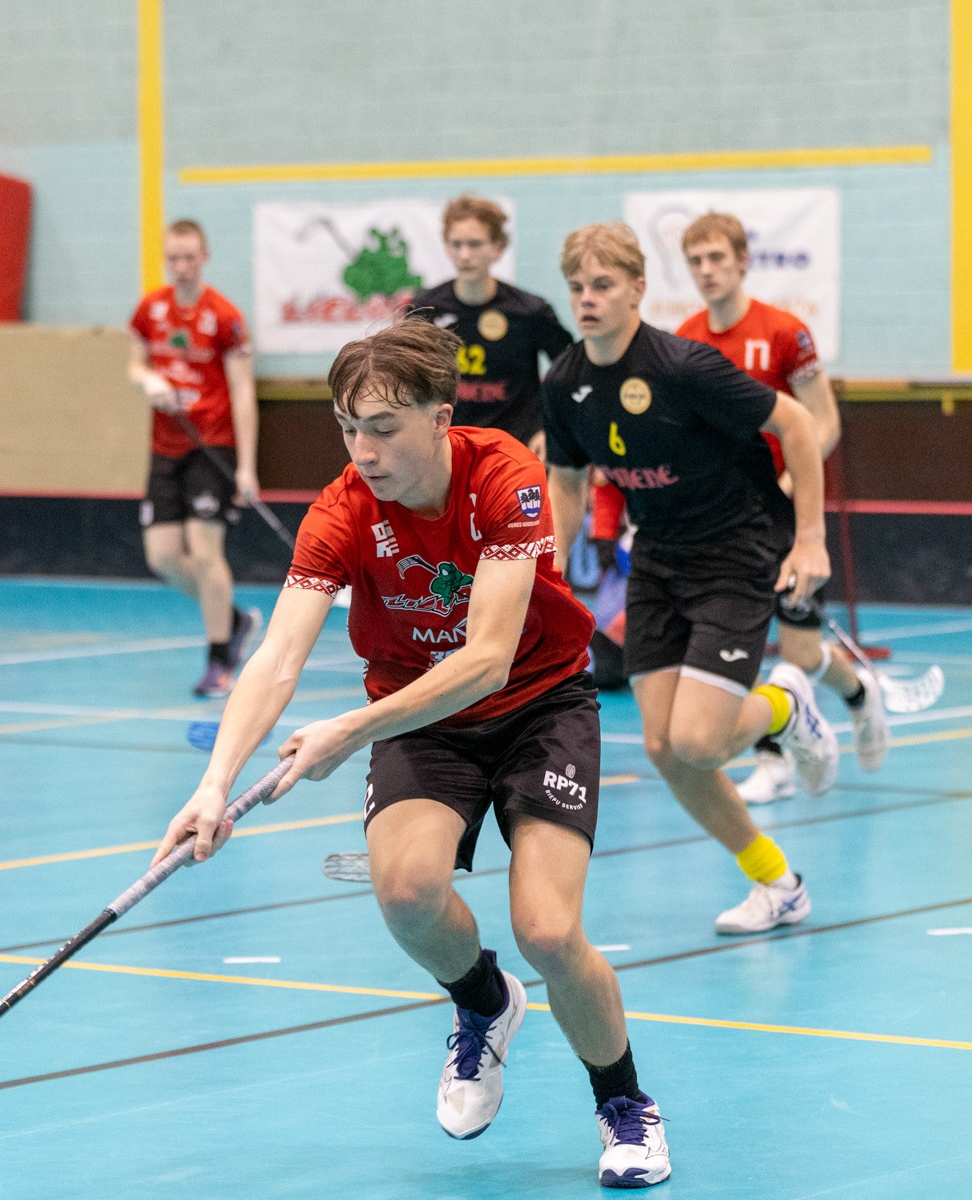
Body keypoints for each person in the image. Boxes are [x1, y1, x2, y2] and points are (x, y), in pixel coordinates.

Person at [154, 319, 671, 1188]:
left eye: (384, 428)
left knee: (548, 931)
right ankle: (484, 1002)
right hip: (423, 722)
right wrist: (214, 784)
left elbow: (488, 659)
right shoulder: (341, 512)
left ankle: (625, 1105)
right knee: (405, 893)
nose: (364, 451)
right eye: (348, 428)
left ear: (440, 417)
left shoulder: (505, 475)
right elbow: (276, 659)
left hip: (539, 705)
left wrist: (352, 728)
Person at [542, 221, 838, 937]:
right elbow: (568, 483)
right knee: (663, 750)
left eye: (603, 285)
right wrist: (548, 572)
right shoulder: (565, 384)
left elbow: (798, 426)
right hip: (658, 558)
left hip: (735, 552)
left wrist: (809, 539)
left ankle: (787, 704)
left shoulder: (684, 366)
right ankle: (778, 883)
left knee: (701, 743)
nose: (587, 299)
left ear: (637, 289)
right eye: (577, 287)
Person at [674, 211, 890, 803]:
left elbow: (824, 421)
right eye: (696, 261)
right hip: (723, 520)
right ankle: (774, 763)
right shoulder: (686, 339)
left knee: (801, 650)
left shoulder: (784, 333)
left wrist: (793, 483)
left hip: (787, 512)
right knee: (735, 635)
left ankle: (858, 693)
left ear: (742, 261)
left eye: (717, 258)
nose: (707, 270)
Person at [128, 219, 263, 697]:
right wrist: (148, 380)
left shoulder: (224, 317)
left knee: (206, 554)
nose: (181, 266)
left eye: (189, 257)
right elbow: (134, 363)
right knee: (163, 558)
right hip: (164, 449)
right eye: (174, 258)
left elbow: (243, 393)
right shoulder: (150, 310)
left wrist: (247, 467)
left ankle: (219, 660)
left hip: (212, 445)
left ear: (204, 258)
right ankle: (234, 619)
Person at [410, 194, 573, 459]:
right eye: (456, 244)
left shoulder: (530, 311)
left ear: (497, 247)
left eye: (475, 244)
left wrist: (549, 429)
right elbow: (406, 380)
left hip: (516, 447)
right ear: (446, 246)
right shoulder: (425, 310)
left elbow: (571, 374)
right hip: (448, 447)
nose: (465, 254)